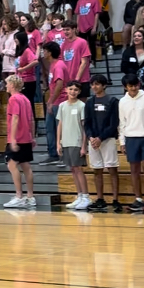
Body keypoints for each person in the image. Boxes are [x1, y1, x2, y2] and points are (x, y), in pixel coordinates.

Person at [118, 73, 144, 213]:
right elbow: (122, 123)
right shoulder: (122, 102)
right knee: (134, 170)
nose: (134, 88)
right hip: (131, 138)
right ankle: (138, 198)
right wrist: (122, 141)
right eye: (131, 86)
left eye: (136, 85)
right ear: (125, 87)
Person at [83, 75, 121, 212]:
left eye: (97, 84)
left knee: (112, 169)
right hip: (93, 141)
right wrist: (91, 137)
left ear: (104, 85)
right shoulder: (89, 102)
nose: (94, 87)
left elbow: (114, 123)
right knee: (97, 170)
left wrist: (101, 137)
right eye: (92, 84)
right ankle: (100, 199)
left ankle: (116, 199)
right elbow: (86, 122)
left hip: (108, 139)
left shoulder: (112, 101)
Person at [2, 75, 36, 208]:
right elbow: (32, 119)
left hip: (17, 138)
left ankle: (19, 196)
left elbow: (15, 118)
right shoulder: (25, 99)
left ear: (12, 85)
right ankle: (30, 196)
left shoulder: (14, 99)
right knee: (26, 166)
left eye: (7, 83)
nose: (5, 86)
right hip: (26, 137)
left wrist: (13, 139)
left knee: (11, 165)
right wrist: (32, 136)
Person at [58, 82, 90, 210]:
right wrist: (58, 142)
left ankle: (86, 196)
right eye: (70, 89)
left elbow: (84, 128)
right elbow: (60, 125)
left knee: (78, 169)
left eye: (76, 89)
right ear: (66, 90)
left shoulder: (82, 106)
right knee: (72, 169)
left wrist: (83, 146)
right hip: (66, 141)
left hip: (76, 142)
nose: (73, 91)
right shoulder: (62, 106)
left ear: (79, 91)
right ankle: (79, 195)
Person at [39, 42, 67, 166]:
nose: (43, 53)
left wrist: (50, 101)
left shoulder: (59, 65)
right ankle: (53, 154)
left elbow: (59, 84)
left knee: (60, 130)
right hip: (53, 101)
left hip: (60, 102)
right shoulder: (52, 65)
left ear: (49, 52)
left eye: (44, 51)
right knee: (50, 129)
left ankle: (63, 156)